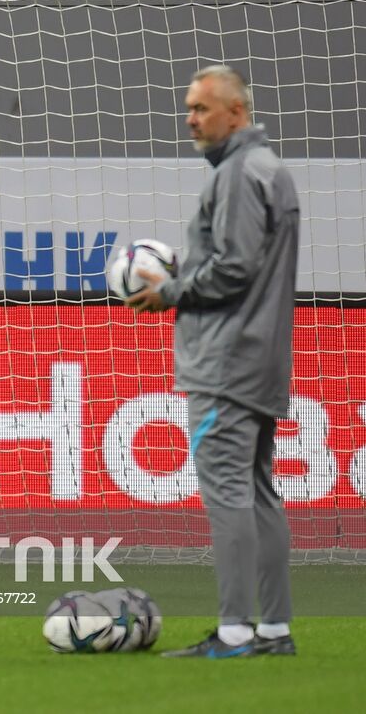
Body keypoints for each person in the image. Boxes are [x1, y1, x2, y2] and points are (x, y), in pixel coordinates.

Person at [127, 65, 299, 658]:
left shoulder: (235, 174)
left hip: (225, 362)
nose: (190, 119)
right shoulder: (274, 172)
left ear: (237, 112)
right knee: (257, 493)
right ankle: (273, 630)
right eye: (189, 108)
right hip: (265, 357)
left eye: (201, 108)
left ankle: (232, 633)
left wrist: (168, 292)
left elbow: (233, 267)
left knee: (227, 494)